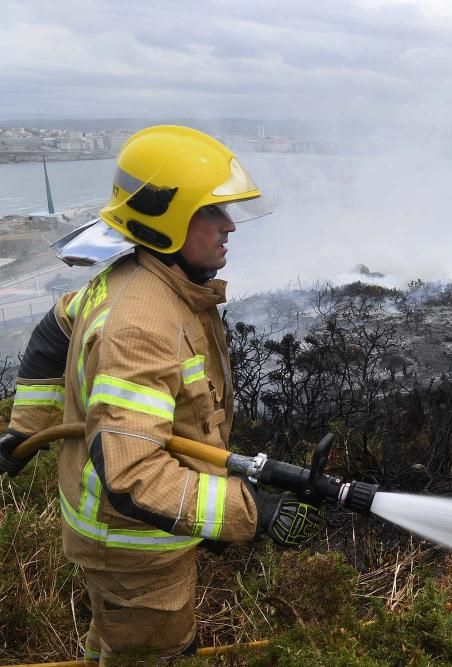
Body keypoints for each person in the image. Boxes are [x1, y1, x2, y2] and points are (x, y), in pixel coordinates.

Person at [0, 126, 321, 662]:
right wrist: (253, 512)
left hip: (125, 543)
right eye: (211, 213)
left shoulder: (135, 277)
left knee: (113, 646)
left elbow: (53, 332)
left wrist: (26, 427)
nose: (229, 227)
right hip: (135, 555)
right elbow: (132, 475)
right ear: (166, 222)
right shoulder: (144, 324)